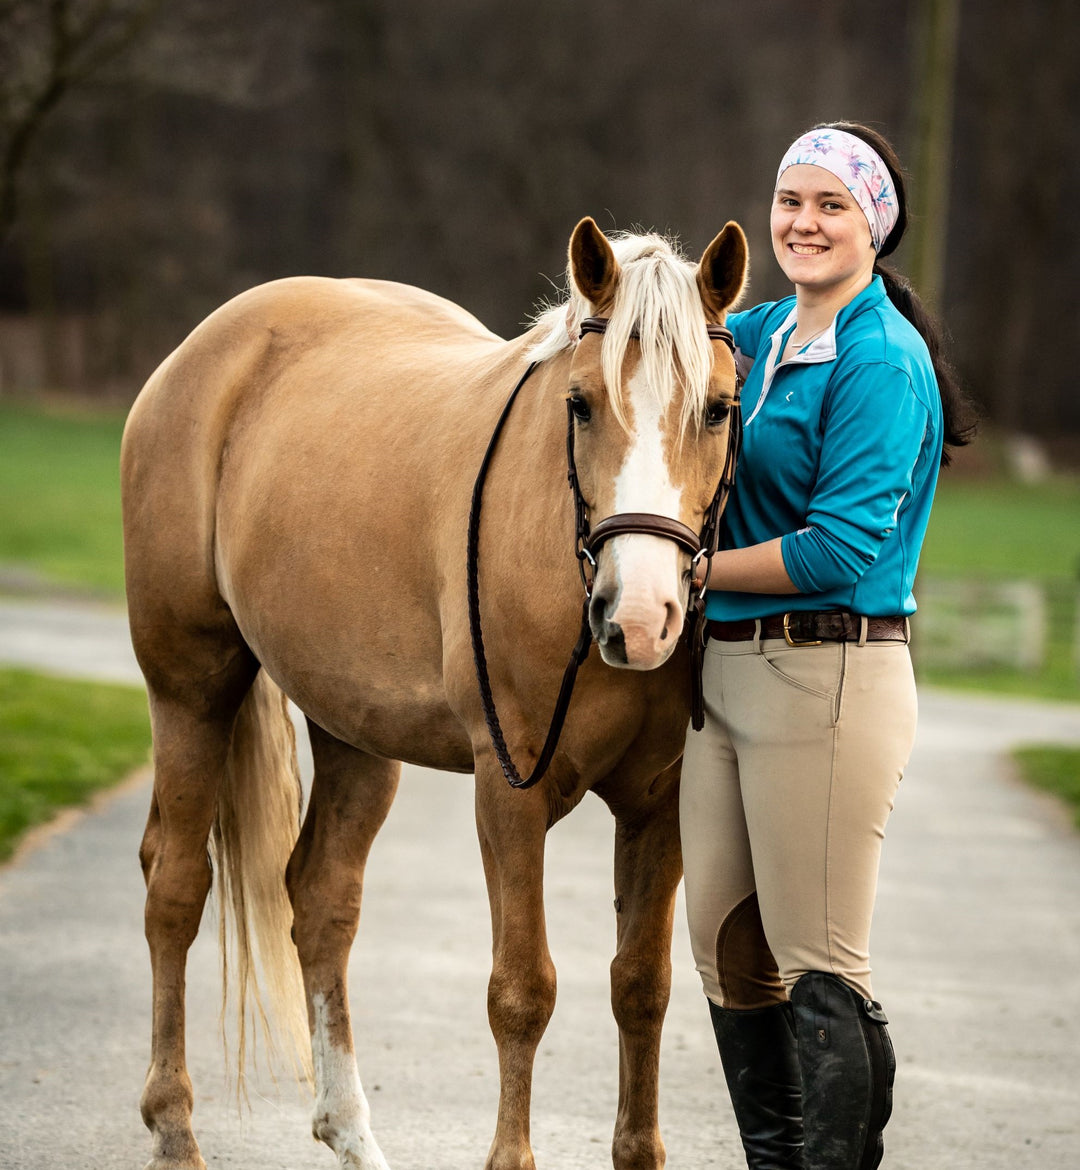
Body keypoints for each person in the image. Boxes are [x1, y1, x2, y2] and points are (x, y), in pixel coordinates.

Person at [681, 121, 976, 1170]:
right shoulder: (755, 335)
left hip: (830, 676)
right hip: (725, 675)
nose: (804, 222)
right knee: (723, 949)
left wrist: (692, 571)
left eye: (831, 205)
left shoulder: (882, 361)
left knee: (818, 967)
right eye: (791, 200)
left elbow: (837, 549)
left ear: (874, 227)